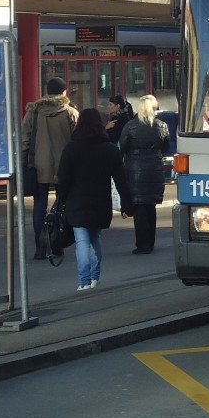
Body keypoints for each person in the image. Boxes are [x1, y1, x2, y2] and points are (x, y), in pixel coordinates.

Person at [57, 108, 131, 291]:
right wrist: (126, 205)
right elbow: (121, 180)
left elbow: (63, 179)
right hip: (100, 201)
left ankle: (84, 281)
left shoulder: (71, 149)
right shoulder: (110, 149)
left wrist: (61, 200)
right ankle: (95, 277)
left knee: (81, 241)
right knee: (96, 238)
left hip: (77, 201)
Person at [21, 77, 79, 260]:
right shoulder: (70, 112)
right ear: (64, 92)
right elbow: (78, 140)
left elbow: (24, 140)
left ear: (46, 91)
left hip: (39, 166)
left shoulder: (33, 112)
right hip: (65, 167)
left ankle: (41, 246)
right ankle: (57, 243)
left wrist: (23, 163)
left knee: (39, 207)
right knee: (63, 206)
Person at [118, 94, 170, 254]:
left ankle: (142, 244)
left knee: (139, 207)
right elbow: (166, 146)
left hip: (135, 169)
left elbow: (123, 146)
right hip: (154, 167)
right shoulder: (162, 125)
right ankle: (151, 241)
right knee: (150, 207)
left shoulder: (130, 125)